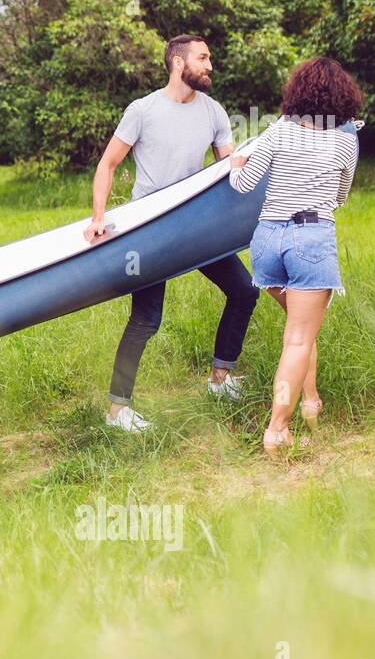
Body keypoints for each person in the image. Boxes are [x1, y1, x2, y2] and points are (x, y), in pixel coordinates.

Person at [84, 34, 260, 431]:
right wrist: (98, 216)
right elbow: (108, 164)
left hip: (196, 224)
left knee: (244, 289)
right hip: (152, 229)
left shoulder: (213, 111)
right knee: (146, 319)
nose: (210, 65)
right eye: (203, 57)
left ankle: (219, 377)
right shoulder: (142, 110)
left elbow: (228, 170)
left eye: (210, 57)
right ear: (179, 64)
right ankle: (117, 410)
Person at [229, 57, 363, 455]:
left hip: (266, 241)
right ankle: (277, 431)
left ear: (297, 92)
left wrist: (237, 164)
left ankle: (311, 402)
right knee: (299, 337)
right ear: (343, 97)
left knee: (300, 326)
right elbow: (339, 197)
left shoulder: (278, 131)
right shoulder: (345, 139)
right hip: (310, 238)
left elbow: (243, 184)